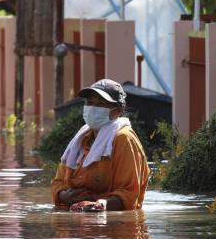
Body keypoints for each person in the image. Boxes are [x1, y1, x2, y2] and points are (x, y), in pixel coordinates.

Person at [52, 79, 150, 211]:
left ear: (117, 111)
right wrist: (65, 196)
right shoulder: (81, 139)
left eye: (100, 104)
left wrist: (100, 205)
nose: (93, 108)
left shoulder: (123, 139)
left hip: (112, 223)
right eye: (90, 103)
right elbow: (58, 183)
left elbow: (128, 193)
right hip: (78, 215)